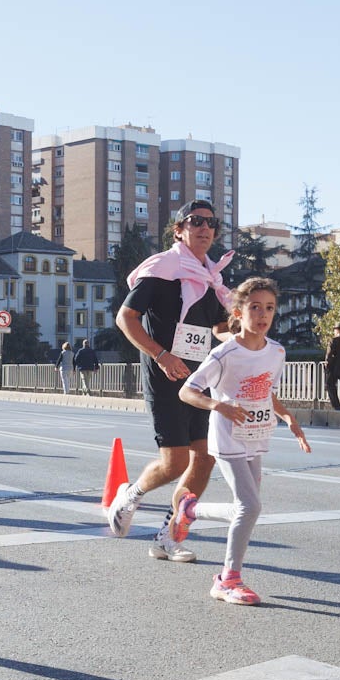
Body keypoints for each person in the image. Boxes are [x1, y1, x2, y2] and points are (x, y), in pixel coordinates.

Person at [107, 200, 233, 563]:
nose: (205, 228)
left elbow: (218, 329)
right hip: (165, 374)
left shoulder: (212, 278)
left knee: (204, 459)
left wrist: (245, 339)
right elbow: (125, 318)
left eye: (211, 223)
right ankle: (129, 495)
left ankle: (168, 536)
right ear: (179, 230)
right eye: (195, 221)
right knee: (175, 462)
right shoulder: (162, 269)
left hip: (199, 378)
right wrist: (162, 356)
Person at [178, 278, 311, 605]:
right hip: (226, 436)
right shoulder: (225, 353)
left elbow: (266, 392)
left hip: (257, 435)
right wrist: (217, 405)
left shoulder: (276, 352)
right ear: (238, 313)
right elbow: (187, 391)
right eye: (255, 308)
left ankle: (191, 510)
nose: (263, 315)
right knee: (250, 506)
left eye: (269, 308)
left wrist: (287, 416)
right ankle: (227, 580)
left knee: (244, 508)